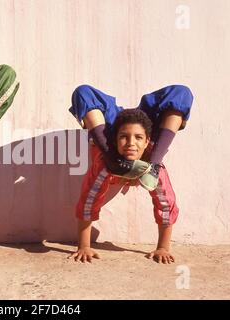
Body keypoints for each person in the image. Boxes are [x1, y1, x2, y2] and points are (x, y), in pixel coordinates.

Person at [68, 84, 193, 263]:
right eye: (124, 139)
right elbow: (89, 201)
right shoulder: (104, 167)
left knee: (181, 93)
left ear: (147, 142)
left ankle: (150, 155)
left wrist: (163, 248)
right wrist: (84, 246)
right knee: (83, 92)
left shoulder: (151, 157)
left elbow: (165, 204)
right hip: (109, 132)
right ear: (116, 140)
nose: (130, 144)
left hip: (144, 128)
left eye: (138, 140)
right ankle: (111, 153)